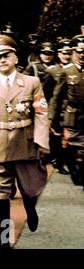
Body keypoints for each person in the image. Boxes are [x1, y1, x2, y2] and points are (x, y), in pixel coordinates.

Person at [0, 35, 50, 248]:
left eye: (6, 55)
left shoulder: (31, 83)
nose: (2, 60)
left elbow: (42, 113)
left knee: (30, 190)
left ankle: (30, 208)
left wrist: (42, 141)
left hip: (25, 146)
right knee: (1, 195)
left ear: (16, 58)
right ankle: (4, 239)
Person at [49, 34, 84, 189]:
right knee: (71, 148)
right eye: (79, 51)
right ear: (73, 52)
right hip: (72, 116)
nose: (82, 55)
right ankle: (73, 168)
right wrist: (51, 119)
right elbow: (56, 97)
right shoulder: (67, 72)